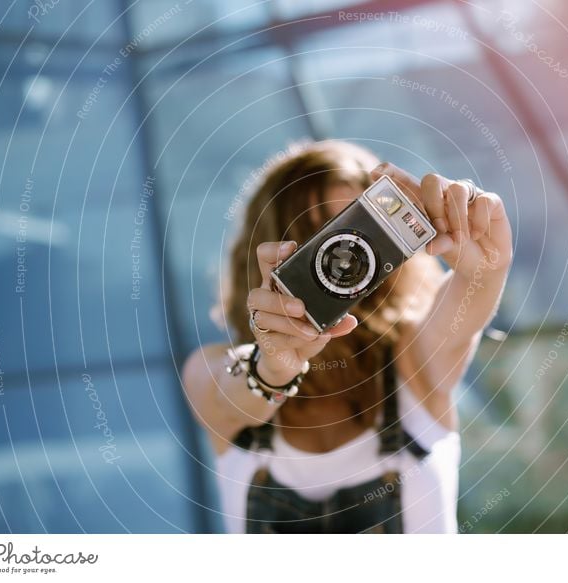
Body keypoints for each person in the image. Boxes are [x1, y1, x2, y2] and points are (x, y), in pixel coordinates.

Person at [182, 140, 512, 533]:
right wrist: (272, 367)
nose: (346, 260)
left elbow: (462, 311)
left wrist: (486, 268)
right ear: (275, 250)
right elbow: (229, 394)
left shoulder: (412, 362)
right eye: (324, 239)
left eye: (366, 235)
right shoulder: (214, 368)